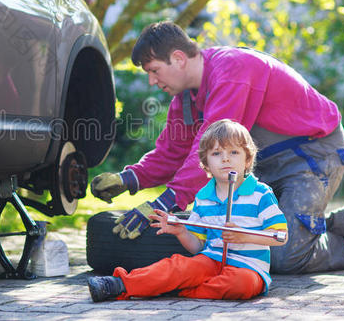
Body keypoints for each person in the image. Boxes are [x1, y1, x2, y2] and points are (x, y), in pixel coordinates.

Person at [91, 21, 344, 274]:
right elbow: (172, 153)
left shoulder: (232, 70)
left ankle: (341, 228)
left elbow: (215, 148)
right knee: (235, 242)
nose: (152, 81)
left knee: (282, 257)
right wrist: (128, 179)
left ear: (178, 58)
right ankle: (309, 227)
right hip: (260, 166)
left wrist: (162, 205)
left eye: (154, 70)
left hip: (311, 156)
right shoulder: (185, 100)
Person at [88, 119, 288, 302]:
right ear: (206, 163)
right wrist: (181, 232)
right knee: (177, 266)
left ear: (247, 160)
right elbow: (197, 248)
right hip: (210, 260)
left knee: (240, 285)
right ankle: (120, 284)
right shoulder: (203, 196)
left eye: (234, 152)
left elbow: (280, 237)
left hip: (248, 268)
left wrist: (244, 237)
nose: (225, 159)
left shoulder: (260, 194)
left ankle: (171, 289)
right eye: (217, 153)